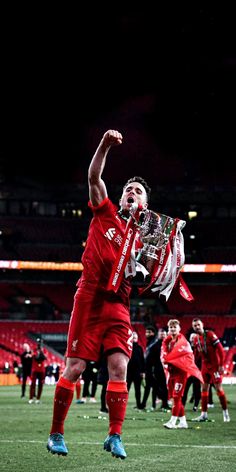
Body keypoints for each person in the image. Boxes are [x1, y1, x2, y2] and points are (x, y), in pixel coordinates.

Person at [46, 130, 151, 460]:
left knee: (119, 368)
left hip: (119, 306)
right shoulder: (104, 211)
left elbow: (146, 281)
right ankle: (56, 433)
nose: (132, 194)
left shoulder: (141, 241)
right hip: (90, 299)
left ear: (145, 204)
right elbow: (94, 175)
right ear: (121, 199)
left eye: (138, 192)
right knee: (75, 367)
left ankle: (114, 436)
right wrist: (105, 144)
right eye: (128, 191)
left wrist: (153, 266)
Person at [161, 319, 203, 429]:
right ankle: (183, 422)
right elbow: (164, 354)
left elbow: (185, 356)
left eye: (175, 327)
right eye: (170, 327)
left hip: (181, 373)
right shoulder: (167, 341)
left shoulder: (183, 342)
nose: (172, 329)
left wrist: (167, 359)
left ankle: (172, 421)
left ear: (179, 328)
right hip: (172, 373)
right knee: (175, 398)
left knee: (176, 397)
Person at [191, 318, 230, 422]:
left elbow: (221, 349)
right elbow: (196, 354)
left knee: (218, 389)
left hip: (214, 366)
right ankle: (204, 414)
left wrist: (221, 365)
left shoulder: (210, 334)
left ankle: (225, 413)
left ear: (202, 325)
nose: (197, 327)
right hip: (204, 367)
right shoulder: (195, 339)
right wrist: (193, 365)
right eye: (195, 325)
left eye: (198, 325)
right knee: (203, 389)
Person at [182, 333, 201, 411]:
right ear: (189, 339)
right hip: (187, 373)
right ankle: (182, 406)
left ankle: (195, 406)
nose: (193, 339)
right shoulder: (186, 348)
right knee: (184, 390)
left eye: (194, 337)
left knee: (197, 390)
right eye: (192, 338)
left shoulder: (200, 348)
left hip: (196, 372)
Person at [127, 331, 145, 410]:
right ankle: (122, 404)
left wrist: (143, 371)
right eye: (133, 337)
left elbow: (142, 360)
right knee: (125, 389)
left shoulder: (139, 348)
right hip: (128, 372)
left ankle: (139, 404)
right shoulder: (127, 347)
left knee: (138, 390)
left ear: (137, 339)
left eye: (135, 337)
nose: (134, 339)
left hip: (137, 372)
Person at [29, 339, 47, 404]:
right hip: (35, 369)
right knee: (33, 384)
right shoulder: (34, 350)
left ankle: (38, 398)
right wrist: (39, 352)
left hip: (41, 370)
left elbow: (45, 358)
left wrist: (41, 352)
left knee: (40, 385)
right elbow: (36, 358)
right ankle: (31, 398)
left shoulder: (43, 351)